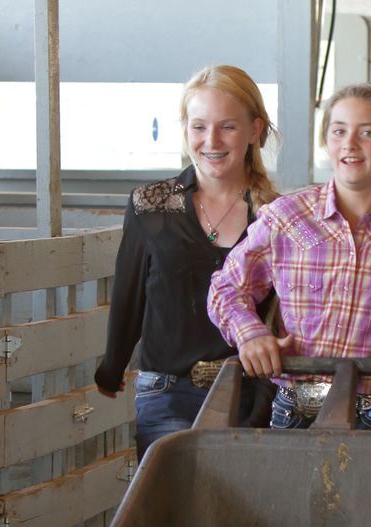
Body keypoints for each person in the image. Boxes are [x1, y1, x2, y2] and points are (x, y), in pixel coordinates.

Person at [208, 82, 371, 432]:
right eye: (339, 131)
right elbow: (227, 288)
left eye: (367, 132)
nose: (350, 144)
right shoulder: (287, 218)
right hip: (297, 410)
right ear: (327, 141)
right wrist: (250, 333)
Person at [94, 65, 279, 460]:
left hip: (251, 395)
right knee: (175, 513)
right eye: (198, 127)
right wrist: (112, 367)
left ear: (254, 130)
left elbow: (288, 310)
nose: (210, 141)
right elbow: (130, 294)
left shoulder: (277, 214)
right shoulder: (150, 204)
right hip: (167, 392)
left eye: (227, 127)